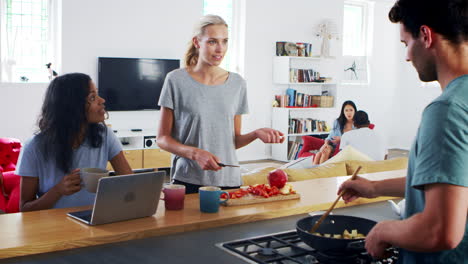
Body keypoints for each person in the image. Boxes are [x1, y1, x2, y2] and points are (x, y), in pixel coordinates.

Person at [338, 0, 468, 262]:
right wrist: (374, 188)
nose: (407, 56)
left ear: (425, 35)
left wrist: (384, 230)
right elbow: (453, 184)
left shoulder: (447, 109)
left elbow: (440, 231)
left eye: (405, 44)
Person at [157, 15, 284, 194]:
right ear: (197, 42)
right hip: (188, 180)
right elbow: (162, 138)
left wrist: (256, 134)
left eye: (224, 42)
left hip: (229, 180)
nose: (220, 49)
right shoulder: (176, 80)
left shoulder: (237, 83)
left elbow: (232, 141)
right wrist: (195, 153)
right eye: (212, 42)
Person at [17, 73, 133, 211]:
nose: (102, 100)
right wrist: (57, 191)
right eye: (92, 97)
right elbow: (24, 209)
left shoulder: (105, 135)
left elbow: (130, 183)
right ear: (72, 106)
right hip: (53, 228)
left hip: (94, 223)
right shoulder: (34, 147)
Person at [313, 100, 356, 165]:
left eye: (351, 110)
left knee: (325, 152)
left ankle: (320, 173)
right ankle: (313, 174)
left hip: (342, 148)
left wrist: (341, 139)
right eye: (346, 110)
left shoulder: (357, 125)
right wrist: (326, 144)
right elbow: (330, 136)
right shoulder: (338, 122)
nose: (348, 113)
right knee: (319, 154)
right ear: (343, 112)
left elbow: (355, 139)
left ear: (355, 111)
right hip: (332, 145)